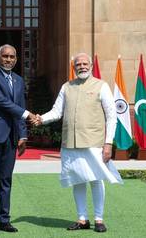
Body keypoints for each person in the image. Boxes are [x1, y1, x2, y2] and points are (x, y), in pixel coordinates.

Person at [32, 52, 123, 233]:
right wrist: (40, 119)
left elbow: (112, 117)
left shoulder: (101, 86)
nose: (81, 66)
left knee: (96, 179)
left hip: (94, 143)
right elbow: (57, 112)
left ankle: (98, 218)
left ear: (90, 66)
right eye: (78, 64)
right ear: (73, 67)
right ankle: (82, 219)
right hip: (70, 143)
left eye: (84, 63)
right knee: (77, 180)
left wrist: (108, 143)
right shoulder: (67, 87)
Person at [0, 44, 36, 234]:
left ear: (16, 59)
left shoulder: (18, 80)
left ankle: (4, 220)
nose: (8, 60)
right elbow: (2, 102)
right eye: (5, 56)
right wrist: (28, 115)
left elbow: (18, 105)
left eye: (12, 57)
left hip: (11, 137)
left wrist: (23, 135)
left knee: (6, 180)